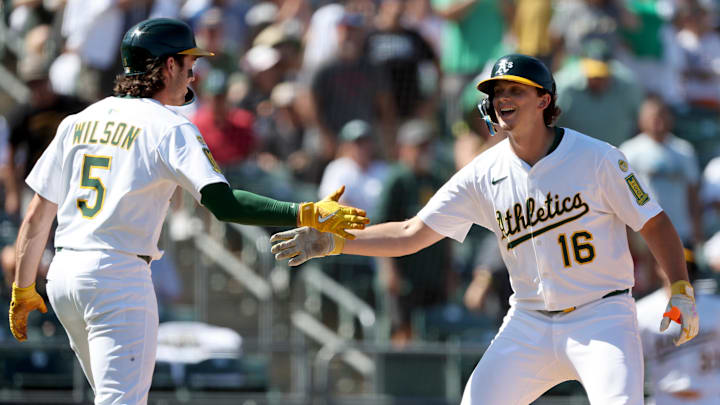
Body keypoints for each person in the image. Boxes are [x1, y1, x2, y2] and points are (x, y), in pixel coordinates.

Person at [270, 54, 700, 404]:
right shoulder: (483, 172)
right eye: (496, 92)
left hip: (601, 316)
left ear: (544, 100)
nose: (502, 98)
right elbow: (410, 234)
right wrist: (334, 241)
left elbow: (654, 222)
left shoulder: (599, 158)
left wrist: (680, 286)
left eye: (515, 90)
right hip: (529, 320)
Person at [7, 17, 369, 405]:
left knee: (113, 397)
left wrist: (23, 286)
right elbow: (224, 204)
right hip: (116, 275)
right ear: (167, 66)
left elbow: (36, 215)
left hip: (64, 275)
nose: (193, 75)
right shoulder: (170, 126)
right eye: (188, 64)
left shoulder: (78, 122)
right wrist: (304, 212)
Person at [636, 252, 720, 404]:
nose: (680, 271)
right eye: (671, 264)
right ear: (658, 268)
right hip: (666, 399)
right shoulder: (642, 312)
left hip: (713, 396)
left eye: (687, 266)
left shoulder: (715, 306)